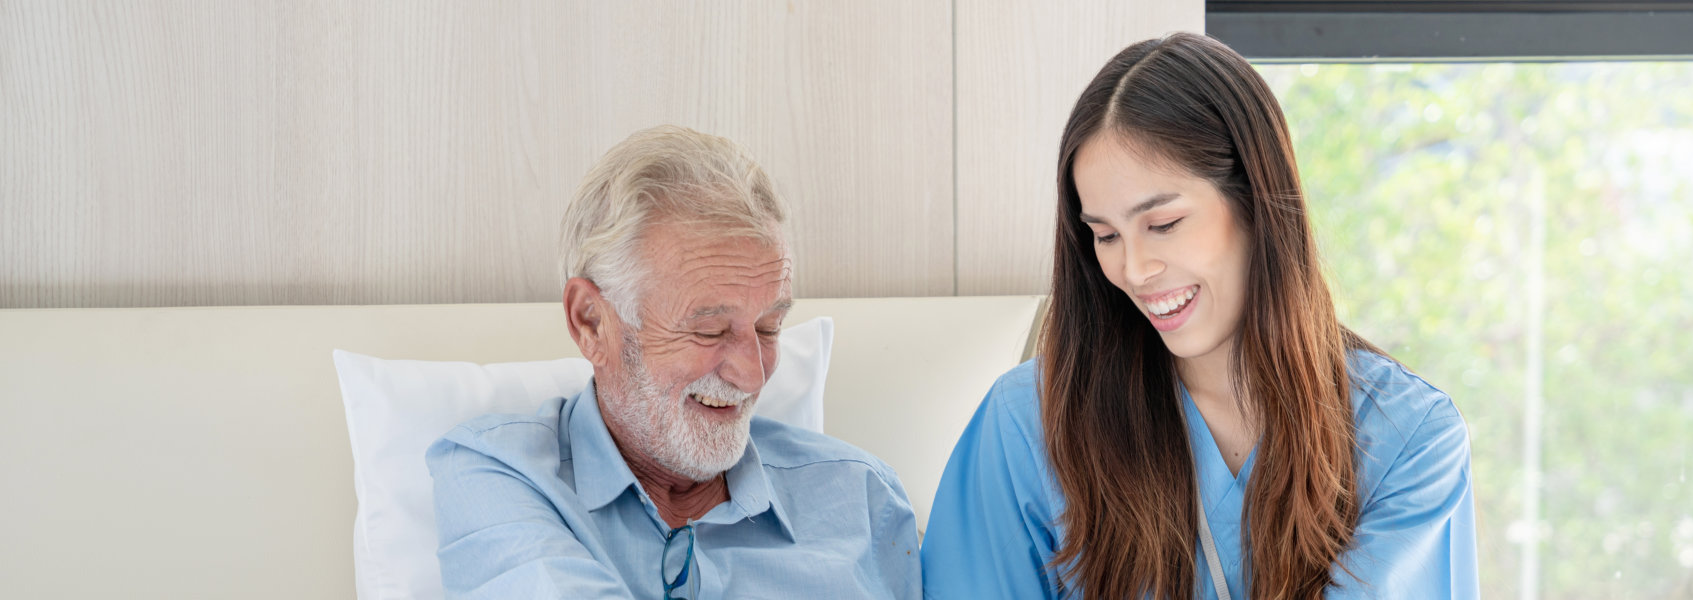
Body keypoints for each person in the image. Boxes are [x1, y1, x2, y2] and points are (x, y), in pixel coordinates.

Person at [920, 33, 1479, 599]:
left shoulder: (1407, 439)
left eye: (1163, 224)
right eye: (1106, 235)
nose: (1134, 270)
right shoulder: (1026, 427)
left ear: (1256, 203)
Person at [427, 125, 920, 599]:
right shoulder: (497, 475)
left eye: (769, 327)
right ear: (592, 323)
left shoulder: (863, 498)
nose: (752, 374)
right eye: (709, 330)